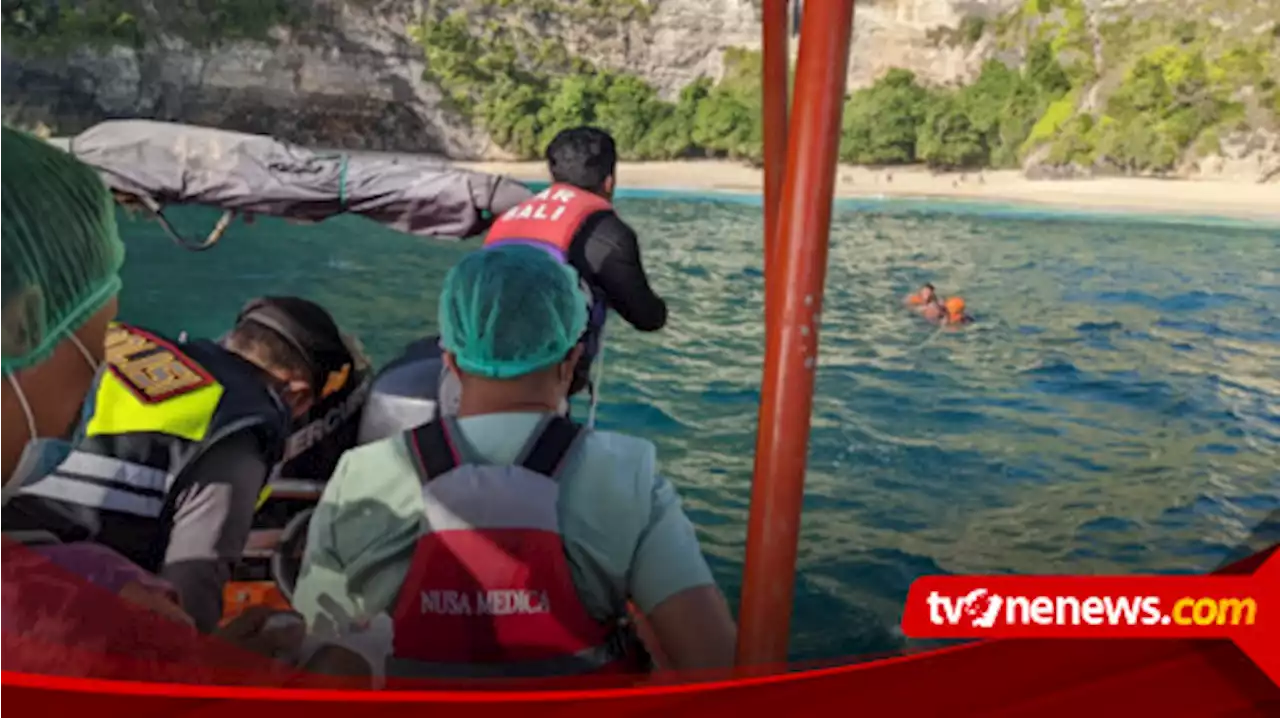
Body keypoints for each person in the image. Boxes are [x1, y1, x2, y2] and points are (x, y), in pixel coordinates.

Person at [293, 244, 736, 681]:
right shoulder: (629, 474)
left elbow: (318, 652)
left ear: (450, 361)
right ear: (572, 361)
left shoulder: (360, 473)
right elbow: (711, 659)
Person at [0, 126, 304, 666]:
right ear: (21, 326)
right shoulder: (95, 617)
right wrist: (204, 671)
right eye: (97, 350)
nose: (100, 386)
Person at [0, 294, 357, 633]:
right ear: (297, 394)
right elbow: (192, 593)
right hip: (48, 613)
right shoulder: (236, 431)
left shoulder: (126, 347)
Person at [366, 127, 667, 438]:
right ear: (609, 181)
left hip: (466, 379)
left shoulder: (514, 215)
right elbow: (648, 317)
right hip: (539, 390)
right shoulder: (610, 234)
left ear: (553, 175)